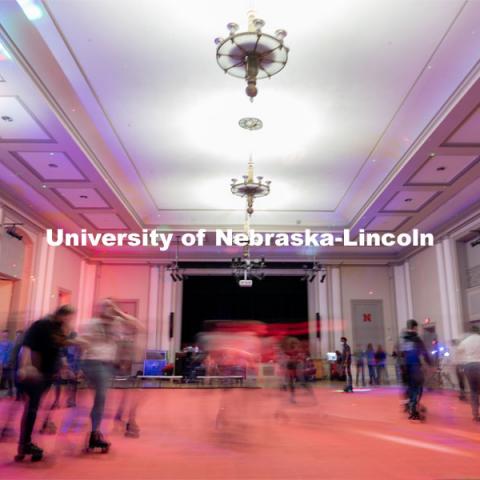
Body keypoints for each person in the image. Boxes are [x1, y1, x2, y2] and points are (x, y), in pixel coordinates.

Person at [15, 305, 75, 461]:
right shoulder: (42, 325)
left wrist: (64, 367)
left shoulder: (58, 329)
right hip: (35, 372)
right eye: (69, 317)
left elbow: (58, 349)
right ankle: (24, 444)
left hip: (47, 374)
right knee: (32, 408)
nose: (70, 321)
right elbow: (27, 346)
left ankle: (25, 444)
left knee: (34, 407)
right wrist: (24, 367)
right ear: (61, 315)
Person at [81, 299, 141, 452]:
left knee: (102, 400)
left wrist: (118, 312)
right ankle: (94, 432)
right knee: (101, 398)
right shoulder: (92, 323)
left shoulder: (117, 322)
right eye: (105, 306)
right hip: (93, 362)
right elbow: (83, 343)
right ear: (99, 309)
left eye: (110, 306)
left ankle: (95, 432)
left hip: (108, 365)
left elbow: (138, 326)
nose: (108, 309)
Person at [400, 319, 431, 420]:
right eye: (416, 327)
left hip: (405, 367)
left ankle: (410, 404)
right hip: (414, 367)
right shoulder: (416, 339)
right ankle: (413, 408)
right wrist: (429, 362)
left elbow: (400, 354)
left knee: (410, 387)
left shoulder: (403, 339)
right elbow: (424, 352)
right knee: (417, 388)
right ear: (414, 327)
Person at [456, 325, 480, 421]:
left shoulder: (465, 341)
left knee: (473, 390)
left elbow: (459, 353)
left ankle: (475, 415)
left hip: (468, 366)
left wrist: (461, 366)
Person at [0, 329, 14, 396]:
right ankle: (2, 388)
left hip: (9, 363)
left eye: (6, 334)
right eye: (4, 334)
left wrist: (10, 362)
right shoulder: (0, 344)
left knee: (9, 376)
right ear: (2, 335)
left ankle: (10, 390)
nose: (5, 336)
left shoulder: (11, 344)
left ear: (8, 335)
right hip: (1, 363)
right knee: (3, 376)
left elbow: (13, 354)